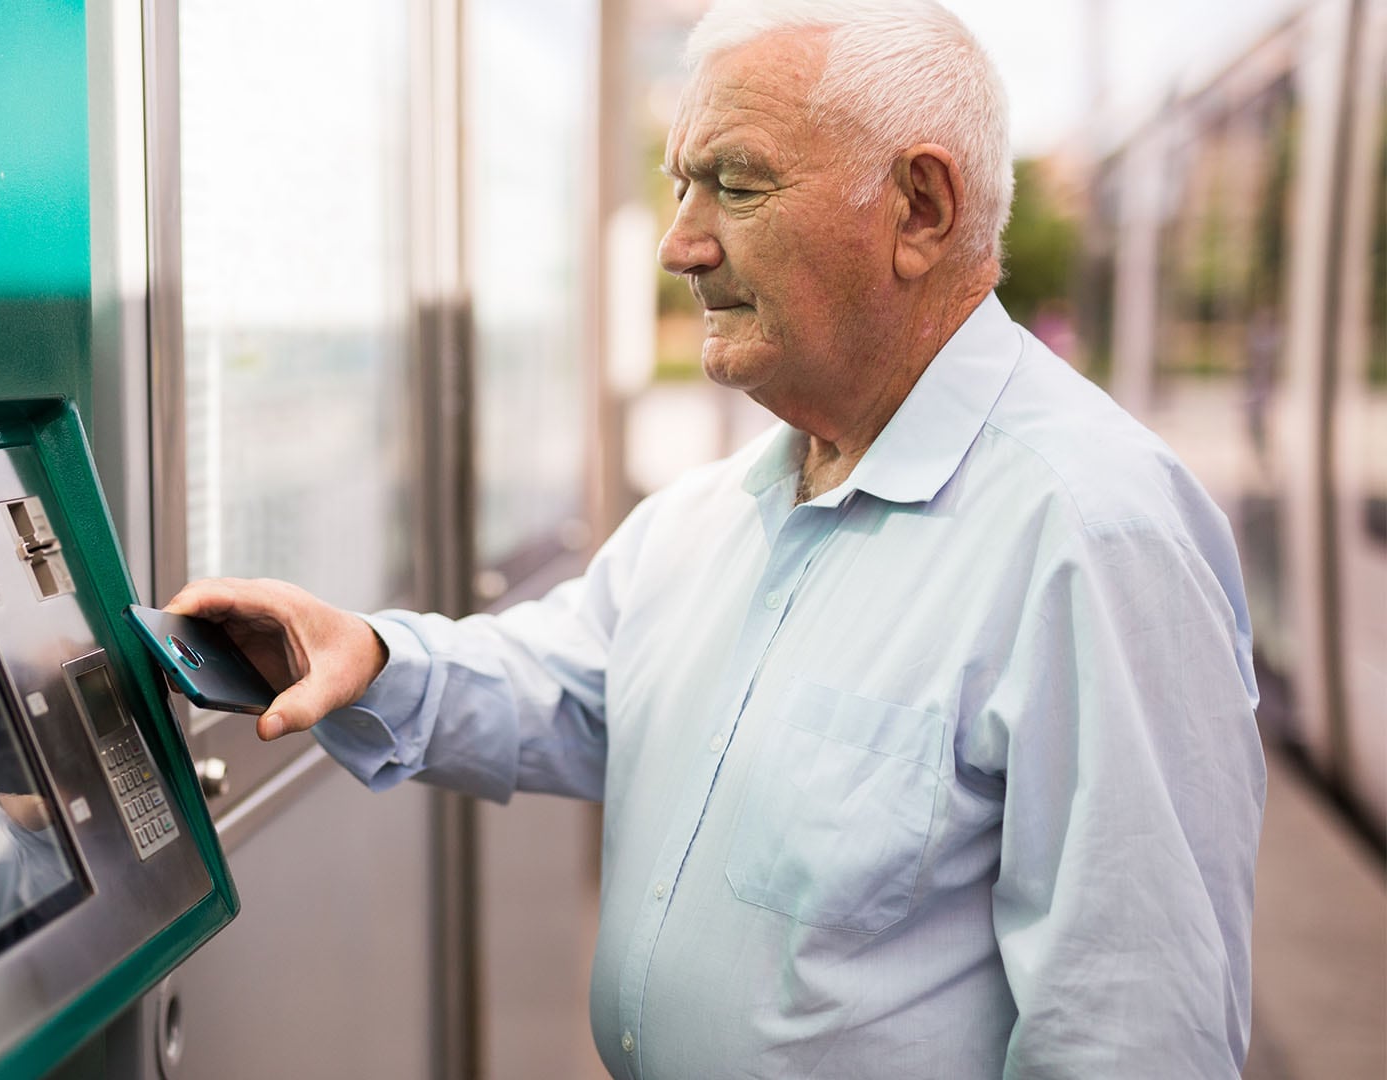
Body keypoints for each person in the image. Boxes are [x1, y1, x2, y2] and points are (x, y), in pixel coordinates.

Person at [169, 1, 1265, 1075]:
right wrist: (366, 657)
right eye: (681, 184)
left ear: (921, 209)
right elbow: (588, 690)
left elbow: (1132, 1031)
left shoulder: (1093, 534)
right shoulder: (726, 505)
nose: (680, 246)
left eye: (736, 185)